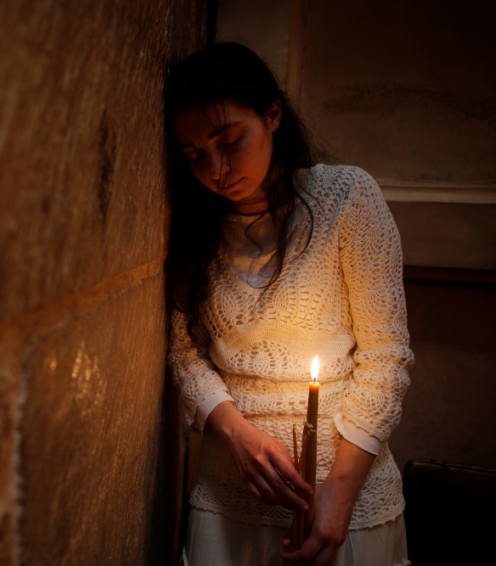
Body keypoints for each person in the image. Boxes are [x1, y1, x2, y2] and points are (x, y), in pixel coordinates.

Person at [164, 43, 414, 566]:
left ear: (272, 114)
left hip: (345, 495)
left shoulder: (346, 198)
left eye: (230, 141)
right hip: (230, 497)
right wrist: (234, 431)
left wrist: (339, 493)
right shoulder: (194, 226)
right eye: (195, 157)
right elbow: (187, 353)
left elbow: (387, 357)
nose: (217, 169)